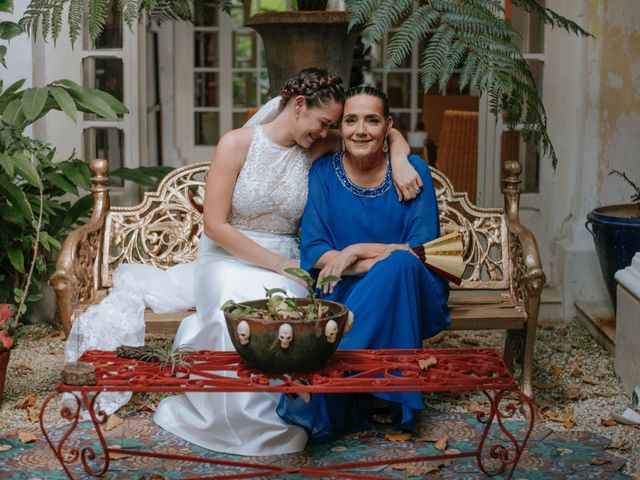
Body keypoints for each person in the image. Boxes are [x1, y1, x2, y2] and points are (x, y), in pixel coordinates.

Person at [151, 69, 422, 456]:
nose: (325, 132)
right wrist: (277, 264)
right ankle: (234, 420)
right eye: (323, 122)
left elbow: (375, 132)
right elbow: (214, 225)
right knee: (240, 295)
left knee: (288, 308)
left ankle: (283, 415)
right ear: (298, 106)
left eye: (331, 125)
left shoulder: (313, 146)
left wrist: (399, 153)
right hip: (228, 255)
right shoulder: (236, 144)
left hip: (288, 258)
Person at [277, 86, 451, 441]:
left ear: (388, 126)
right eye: (351, 120)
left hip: (414, 289)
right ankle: (365, 394)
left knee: (399, 268)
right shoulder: (324, 173)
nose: (361, 130)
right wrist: (370, 259)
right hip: (345, 289)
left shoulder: (412, 171)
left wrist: (355, 250)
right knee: (391, 266)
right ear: (339, 128)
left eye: (372, 120)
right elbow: (316, 253)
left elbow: (420, 253)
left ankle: (323, 373)